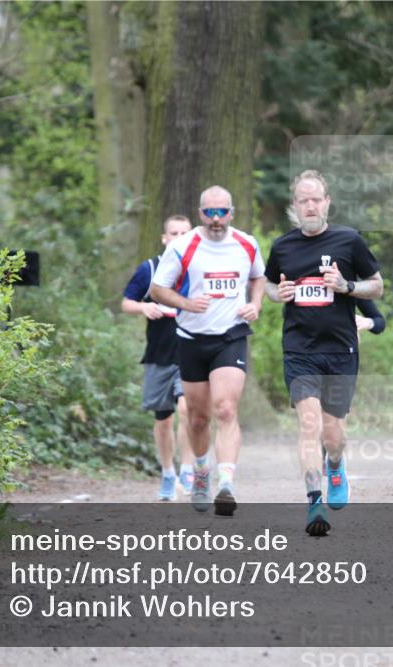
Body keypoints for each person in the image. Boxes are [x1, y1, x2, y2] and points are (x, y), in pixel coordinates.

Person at [264, 170, 384, 537]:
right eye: (304, 200)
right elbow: (270, 284)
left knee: (333, 435)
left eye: (317, 199)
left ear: (327, 202)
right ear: (295, 206)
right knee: (309, 425)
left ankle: (335, 464)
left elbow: (377, 287)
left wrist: (346, 285)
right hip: (299, 349)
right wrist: (277, 294)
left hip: (340, 350)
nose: (311, 205)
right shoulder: (283, 247)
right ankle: (314, 501)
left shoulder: (349, 241)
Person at [150, 186, 266, 516]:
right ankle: (201, 472)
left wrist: (255, 304)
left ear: (232, 212)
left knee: (226, 409)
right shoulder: (183, 247)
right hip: (191, 338)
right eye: (210, 213)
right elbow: (157, 289)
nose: (216, 219)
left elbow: (259, 277)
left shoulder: (247, 243)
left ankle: (225, 483)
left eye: (222, 212)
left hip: (230, 336)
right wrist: (186, 303)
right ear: (201, 214)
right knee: (198, 418)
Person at [121, 215, 197, 500]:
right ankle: (168, 473)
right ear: (164, 238)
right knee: (163, 420)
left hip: (190, 352)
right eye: (173, 233)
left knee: (189, 409)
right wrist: (144, 309)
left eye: (184, 233)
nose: (178, 237)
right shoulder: (149, 269)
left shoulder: (198, 269)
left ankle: (189, 469)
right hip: (158, 354)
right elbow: (126, 302)